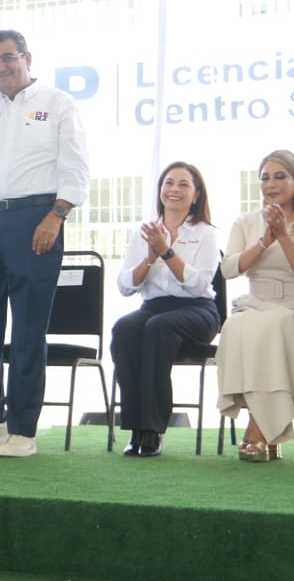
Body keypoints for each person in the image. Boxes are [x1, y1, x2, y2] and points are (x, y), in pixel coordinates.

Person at [0, 22, 89, 458]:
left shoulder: (57, 103)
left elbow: (76, 168)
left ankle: (23, 430)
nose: (1, 67)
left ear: (27, 59)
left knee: (27, 329)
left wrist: (56, 216)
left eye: (8, 57)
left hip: (37, 218)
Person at [215, 151, 294, 461]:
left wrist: (283, 236)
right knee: (235, 326)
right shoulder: (246, 221)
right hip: (256, 303)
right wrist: (265, 240)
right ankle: (268, 428)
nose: (271, 184)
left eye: (280, 177)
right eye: (265, 177)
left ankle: (259, 430)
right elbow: (228, 269)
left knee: (271, 325)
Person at [111, 162, 220, 457]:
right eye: (169, 183)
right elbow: (124, 286)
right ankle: (135, 427)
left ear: (196, 195)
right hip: (154, 307)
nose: (174, 189)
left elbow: (199, 285)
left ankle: (153, 429)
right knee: (125, 328)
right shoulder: (145, 232)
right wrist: (149, 257)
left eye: (184, 184)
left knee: (159, 327)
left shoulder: (206, 233)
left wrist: (166, 252)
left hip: (198, 310)